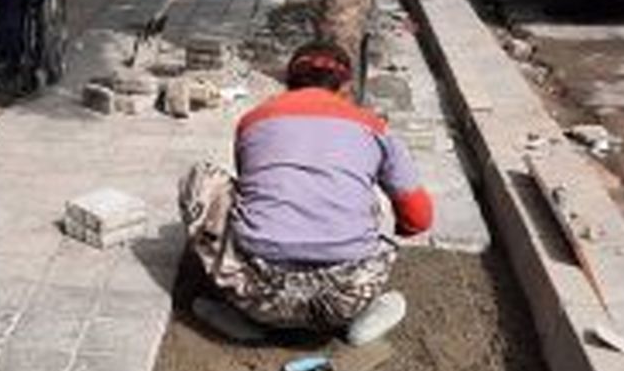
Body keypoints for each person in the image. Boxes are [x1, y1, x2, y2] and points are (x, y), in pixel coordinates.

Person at [179, 40, 434, 342]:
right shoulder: (375, 128)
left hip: (257, 294)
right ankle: (361, 321)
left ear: (288, 84)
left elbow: (250, 189)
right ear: (346, 87)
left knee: (200, 178)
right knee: (367, 197)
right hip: (344, 298)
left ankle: (245, 323)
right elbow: (419, 219)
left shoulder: (253, 121)